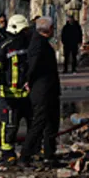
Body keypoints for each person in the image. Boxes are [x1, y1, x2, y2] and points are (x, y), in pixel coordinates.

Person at [0, 15, 32, 164]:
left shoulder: (30, 44)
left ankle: (33, 149)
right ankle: (7, 152)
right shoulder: (4, 46)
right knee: (10, 125)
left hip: (27, 94)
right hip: (10, 95)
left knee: (33, 123)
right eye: (23, 30)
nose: (26, 32)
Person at [23, 17, 61, 165]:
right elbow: (33, 65)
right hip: (42, 91)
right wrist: (28, 80)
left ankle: (49, 155)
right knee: (39, 123)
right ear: (49, 29)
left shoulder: (41, 42)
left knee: (52, 123)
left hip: (49, 90)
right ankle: (25, 155)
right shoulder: (38, 44)